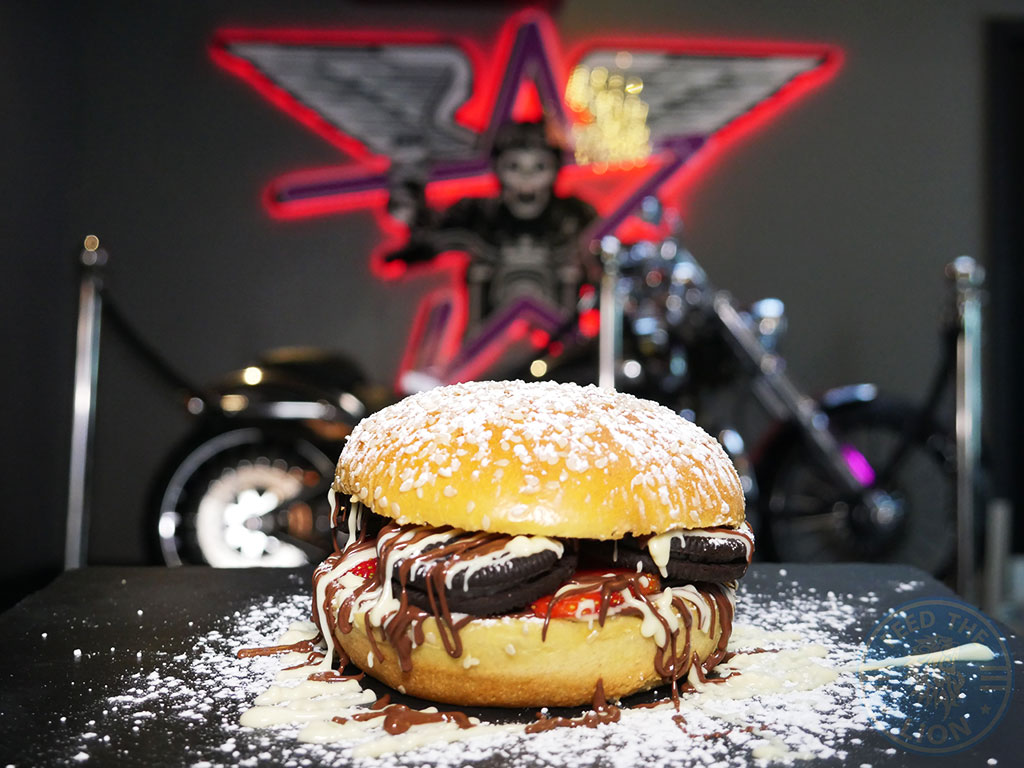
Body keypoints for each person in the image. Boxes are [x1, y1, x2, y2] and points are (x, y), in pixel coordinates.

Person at [386, 121, 598, 341]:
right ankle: (476, 344)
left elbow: (603, 248)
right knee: (479, 271)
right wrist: (410, 209)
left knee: (570, 272)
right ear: (499, 167)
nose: (526, 177)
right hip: (489, 322)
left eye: (539, 166)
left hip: (560, 327)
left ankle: (570, 343)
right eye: (514, 166)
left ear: (554, 168)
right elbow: (434, 235)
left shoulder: (573, 214)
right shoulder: (481, 212)